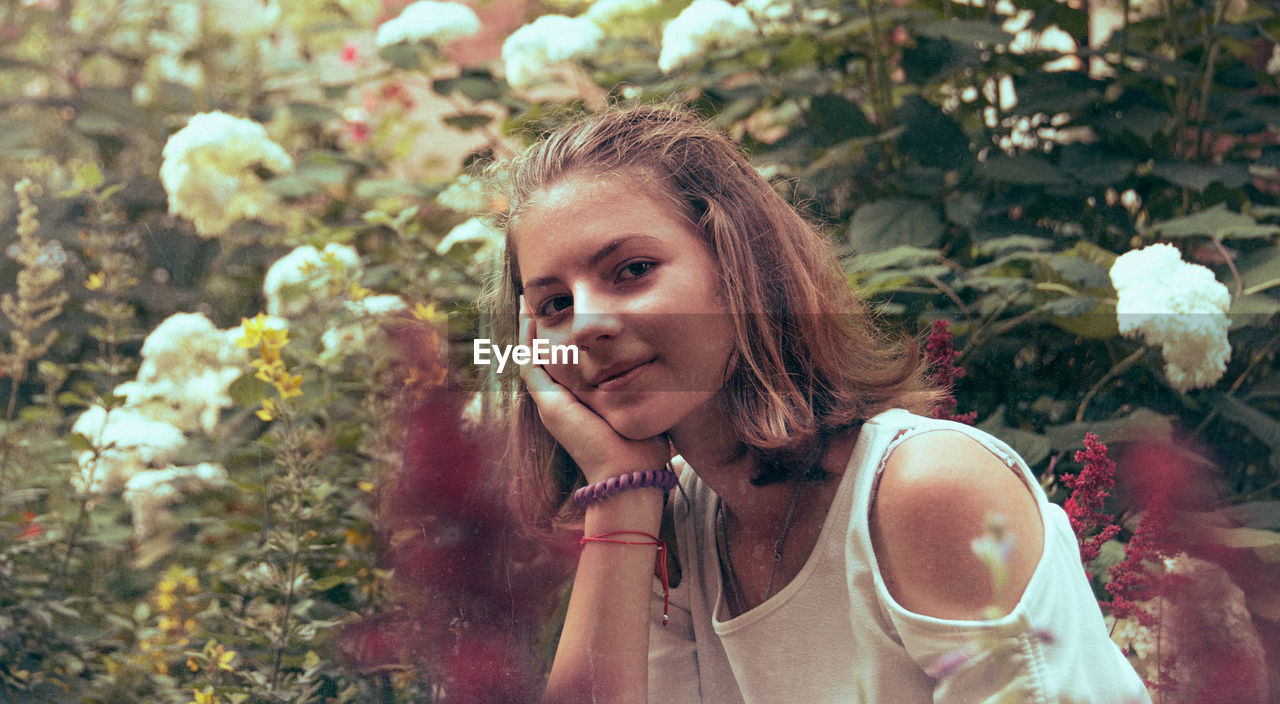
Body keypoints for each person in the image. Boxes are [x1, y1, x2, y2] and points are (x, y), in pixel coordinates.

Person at [483, 104, 1150, 703]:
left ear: (739, 266)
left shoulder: (923, 490)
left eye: (631, 270)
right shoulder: (682, 516)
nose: (588, 323)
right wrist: (621, 489)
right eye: (554, 305)